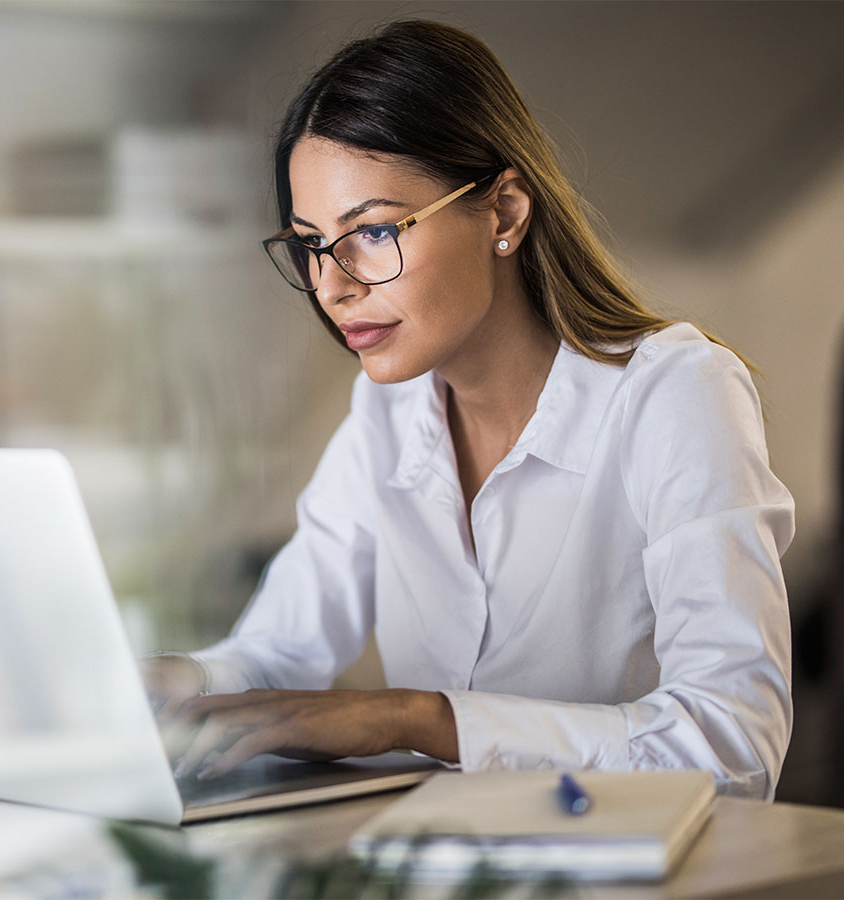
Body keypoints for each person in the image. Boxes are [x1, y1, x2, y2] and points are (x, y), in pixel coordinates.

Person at [142, 19, 794, 801]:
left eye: (374, 232)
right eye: (313, 244)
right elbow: (281, 652)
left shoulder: (675, 393)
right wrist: (175, 683)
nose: (333, 286)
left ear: (506, 214)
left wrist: (420, 720)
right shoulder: (387, 416)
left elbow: (735, 745)